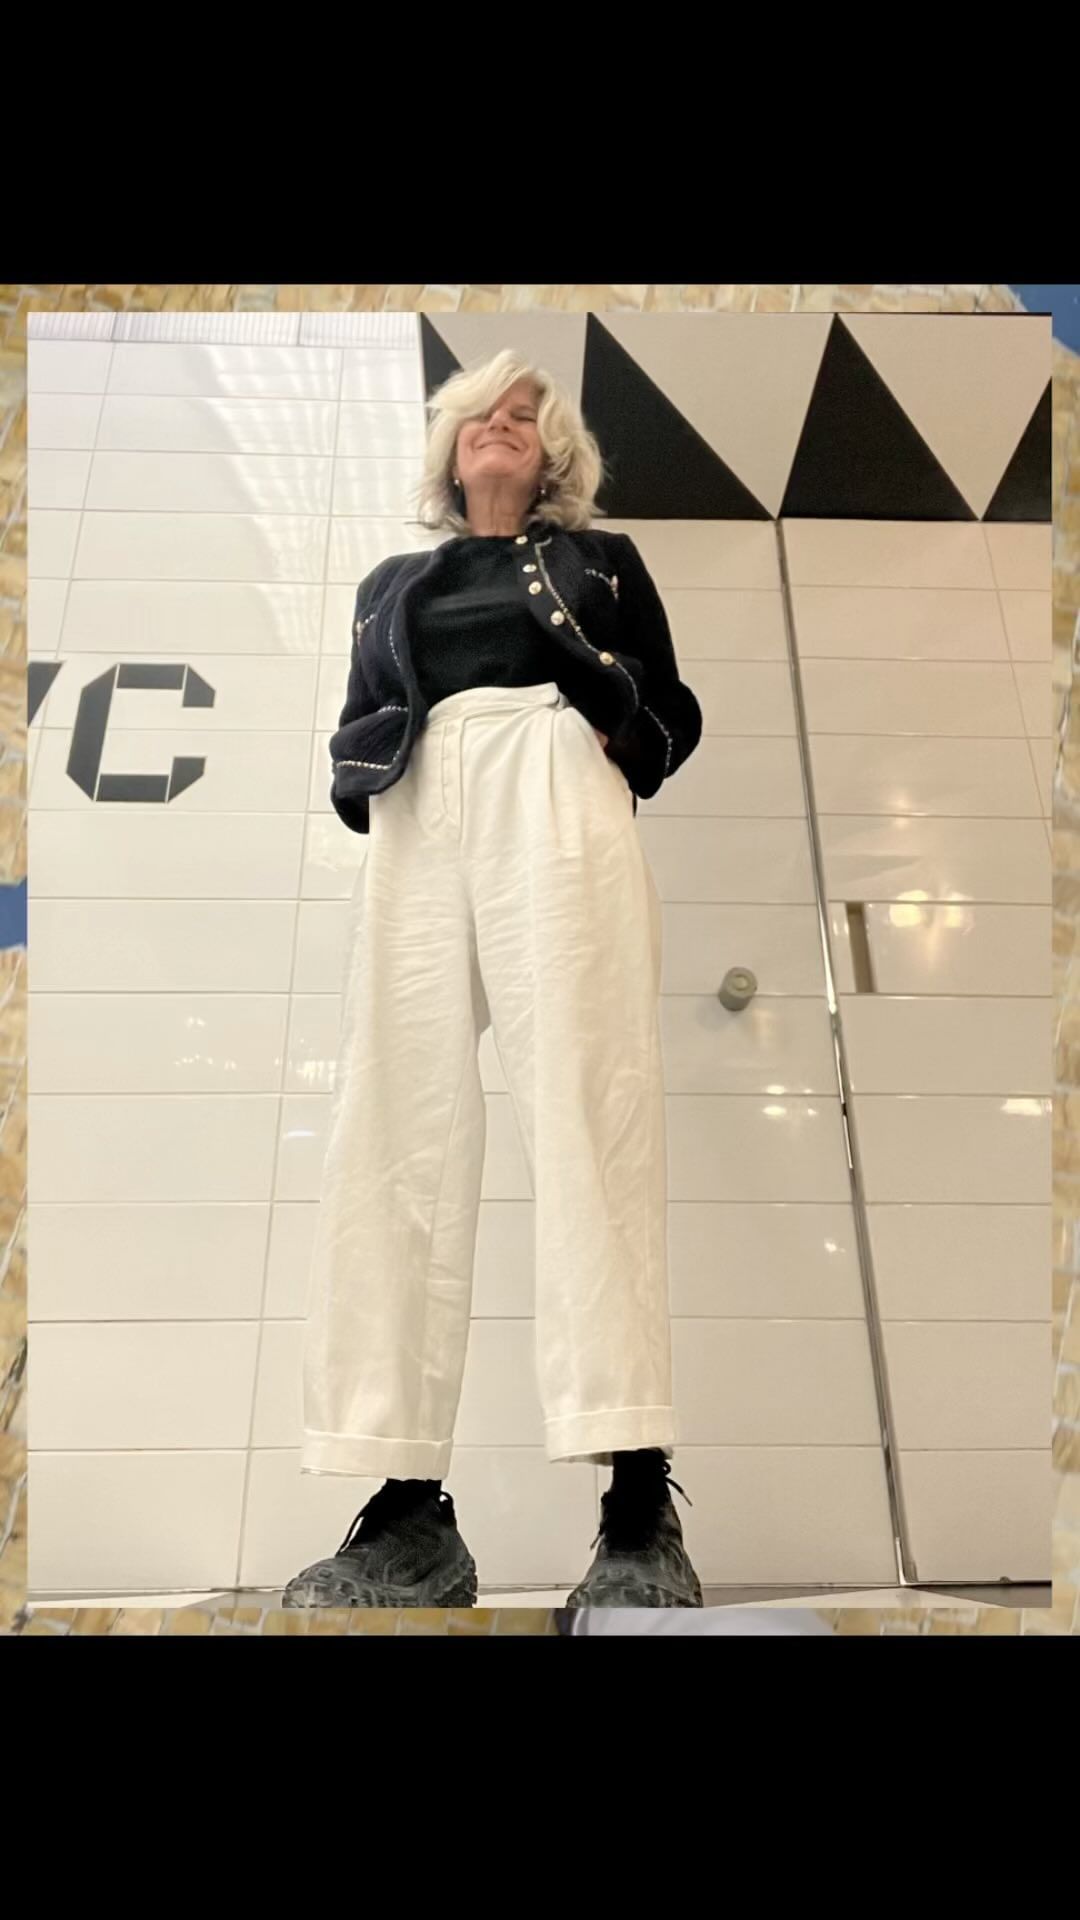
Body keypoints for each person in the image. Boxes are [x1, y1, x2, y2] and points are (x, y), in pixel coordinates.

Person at [283, 349, 704, 1611]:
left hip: (556, 782)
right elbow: (362, 721)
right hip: (422, 800)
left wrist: (606, 730)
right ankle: (408, 1515)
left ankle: (638, 1510)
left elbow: (668, 708)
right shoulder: (390, 585)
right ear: (452, 446)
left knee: (588, 1111)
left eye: (527, 415)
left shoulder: (603, 561)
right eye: (484, 414)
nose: (505, 425)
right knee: (392, 1132)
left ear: (554, 452)